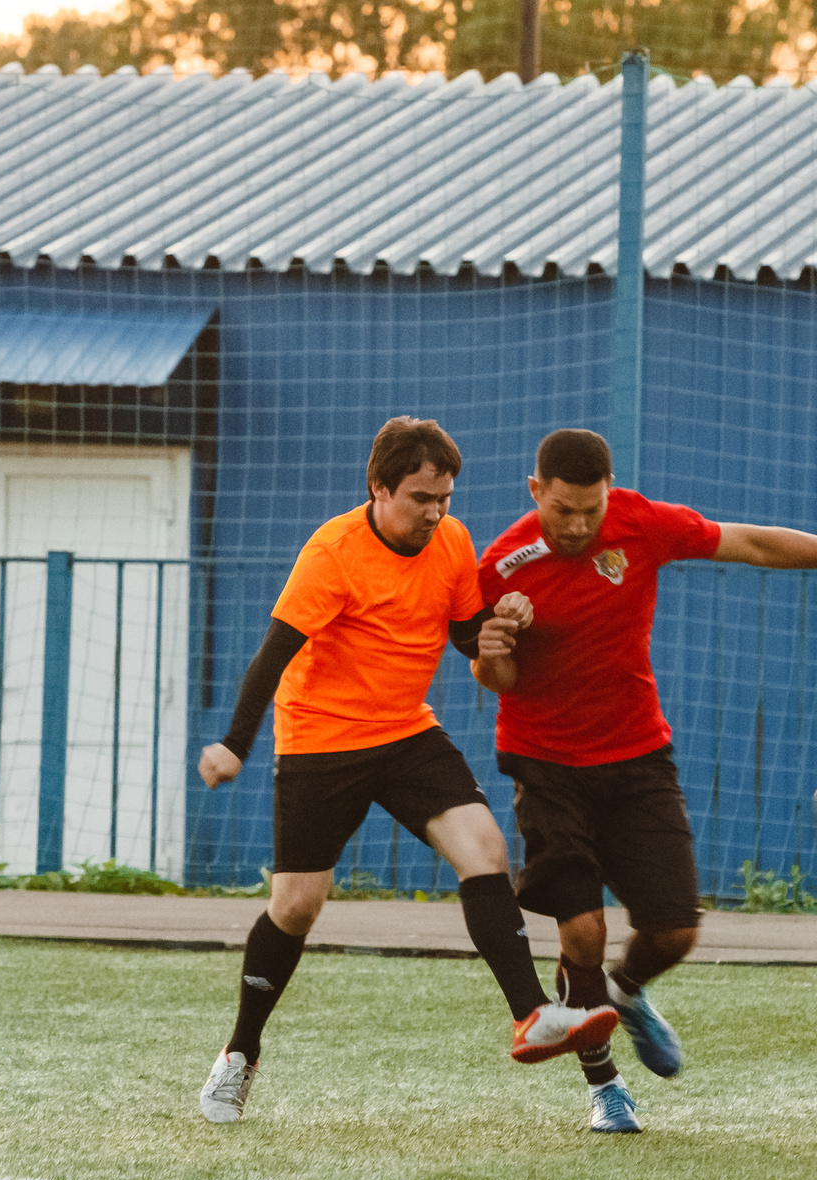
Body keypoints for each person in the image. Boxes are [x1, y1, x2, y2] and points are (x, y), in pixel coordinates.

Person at [473, 428, 817, 1133]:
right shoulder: (500, 566)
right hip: (547, 764)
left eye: (592, 508)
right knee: (582, 931)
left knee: (676, 930)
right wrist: (495, 645)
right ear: (536, 493)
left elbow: (753, 543)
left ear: (610, 492)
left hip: (638, 758)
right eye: (564, 510)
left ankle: (625, 990)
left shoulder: (642, 525)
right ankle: (606, 1087)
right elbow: (495, 678)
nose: (580, 525)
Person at [194, 416, 618, 1124]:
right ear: (379, 488)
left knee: (483, 847)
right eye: (422, 496)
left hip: (405, 732)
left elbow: (460, 633)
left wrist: (499, 622)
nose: (437, 511)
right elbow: (272, 654)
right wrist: (235, 743)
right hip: (321, 741)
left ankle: (532, 1015)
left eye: (445, 496)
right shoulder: (333, 552)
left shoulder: (451, 541)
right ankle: (240, 1053)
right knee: (297, 905)